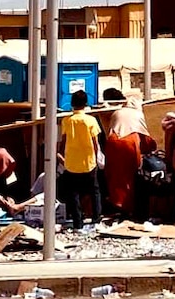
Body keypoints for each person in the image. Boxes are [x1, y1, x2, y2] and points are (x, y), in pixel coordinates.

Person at [103, 102, 156, 218]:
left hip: (113, 142)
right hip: (130, 143)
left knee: (115, 175)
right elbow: (145, 136)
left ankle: (116, 204)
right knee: (131, 175)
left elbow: (110, 130)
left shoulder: (117, 112)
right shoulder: (138, 114)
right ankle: (129, 207)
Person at [59, 89, 103, 230]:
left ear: (72, 103)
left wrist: (61, 155)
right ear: (86, 104)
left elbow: (63, 141)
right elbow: (95, 142)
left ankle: (78, 222)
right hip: (89, 161)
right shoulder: (91, 120)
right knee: (94, 191)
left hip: (71, 163)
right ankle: (96, 218)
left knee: (73, 193)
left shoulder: (67, 121)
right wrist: (97, 157)